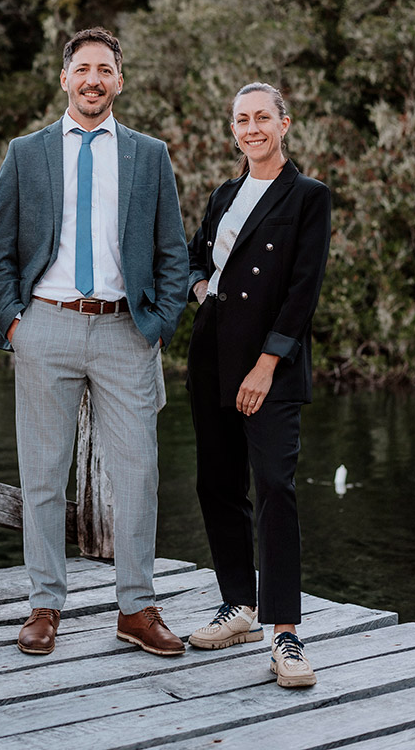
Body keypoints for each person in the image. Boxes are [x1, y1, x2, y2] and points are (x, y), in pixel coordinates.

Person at [0, 27, 188, 656]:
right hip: (45, 326)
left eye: (104, 69)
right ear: (65, 77)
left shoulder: (150, 155)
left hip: (127, 330)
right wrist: (15, 323)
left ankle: (136, 609)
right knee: (44, 475)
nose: (93, 80)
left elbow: (173, 252)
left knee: (139, 474)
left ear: (119, 80)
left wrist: (157, 326)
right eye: (83, 69)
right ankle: (45, 604)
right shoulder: (26, 153)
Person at [186, 82, 331, 687]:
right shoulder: (223, 194)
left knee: (274, 485)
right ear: (233, 130)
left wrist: (267, 364)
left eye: (262, 118)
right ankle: (239, 606)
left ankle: (285, 634)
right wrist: (201, 290)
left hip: (271, 364)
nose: (252, 128)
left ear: (284, 123)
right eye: (242, 120)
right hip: (212, 355)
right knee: (218, 484)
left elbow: (303, 291)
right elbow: (196, 259)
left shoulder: (308, 196)